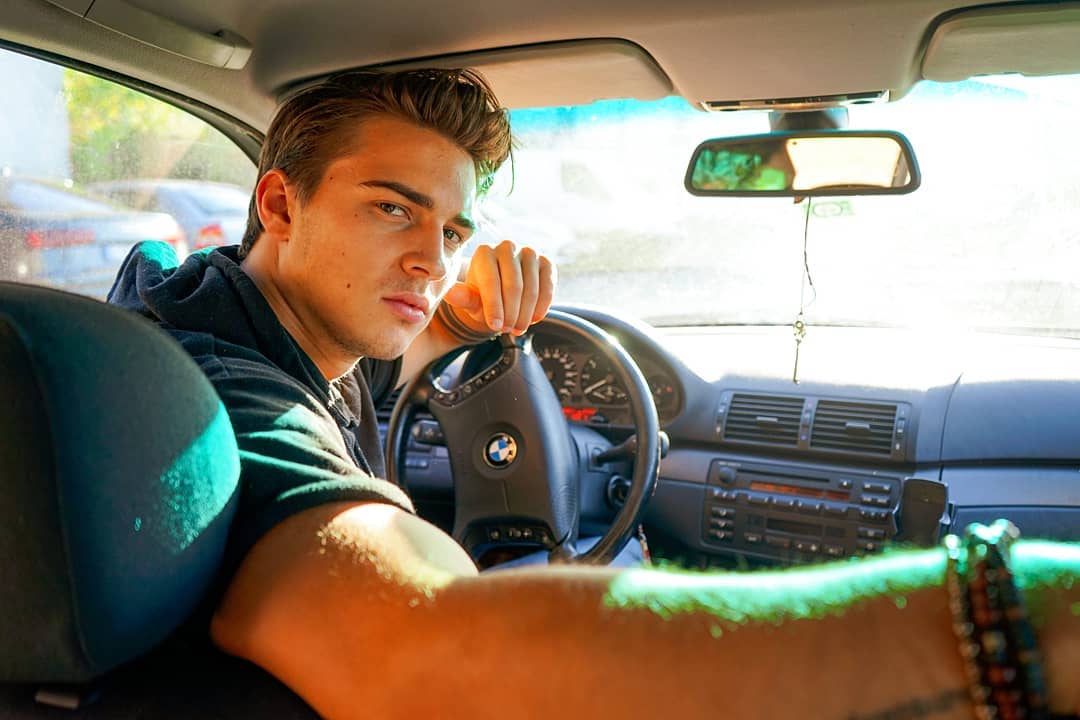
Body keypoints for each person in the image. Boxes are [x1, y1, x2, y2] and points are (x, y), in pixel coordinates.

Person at [108, 69, 1080, 720]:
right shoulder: (222, 401)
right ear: (279, 203)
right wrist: (997, 618)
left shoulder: (212, 307)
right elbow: (417, 654)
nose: (431, 256)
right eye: (391, 208)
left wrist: (453, 324)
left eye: (451, 230)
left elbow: (370, 367)